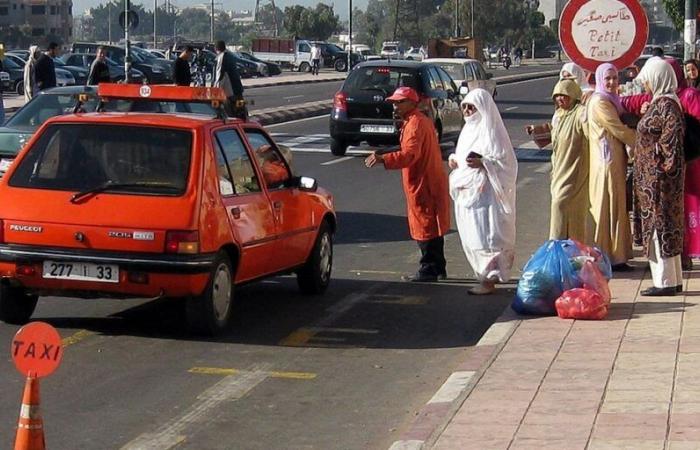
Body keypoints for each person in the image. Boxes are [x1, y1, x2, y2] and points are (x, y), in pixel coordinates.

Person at [365, 86, 450, 282]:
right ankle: (437, 267)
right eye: (394, 102)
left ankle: (429, 268)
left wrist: (384, 159)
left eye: (399, 102)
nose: (395, 106)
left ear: (412, 103)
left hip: (423, 182)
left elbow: (410, 155)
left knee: (424, 224)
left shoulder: (415, 124)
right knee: (431, 224)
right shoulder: (418, 121)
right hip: (428, 179)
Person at [448, 88, 517, 295]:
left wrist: (483, 162)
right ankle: (482, 276)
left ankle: (489, 280)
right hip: (468, 195)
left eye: (472, 107)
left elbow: (507, 163)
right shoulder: (467, 131)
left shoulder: (493, 132)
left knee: (486, 235)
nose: (468, 111)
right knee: (472, 235)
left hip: (488, 197)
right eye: (465, 107)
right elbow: (462, 157)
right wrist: (456, 160)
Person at [632, 58, 685, 296]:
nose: (646, 87)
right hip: (655, 180)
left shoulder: (667, 105)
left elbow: (670, 143)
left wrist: (657, 168)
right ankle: (672, 280)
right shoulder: (662, 103)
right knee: (665, 228)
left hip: (659, 182)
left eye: (648, 81)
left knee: (660, 228)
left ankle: (664, 282)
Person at [587, 63, 636, 270]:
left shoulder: (611, 100)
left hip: (613, 161)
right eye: (607, 79)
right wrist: (641, 142)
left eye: (615, 78)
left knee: (616, 207)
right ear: (599, 80)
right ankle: (608, 257)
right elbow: (618, 129)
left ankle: (617, 255)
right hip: (606, 163)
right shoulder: (600, 102)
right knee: (608, 208)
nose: (611, 82)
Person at [527, 79, 589, 241]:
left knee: (560, 203)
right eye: (558, 96)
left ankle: (557, 242)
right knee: (563, 205)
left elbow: (592, 134)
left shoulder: (581, 113)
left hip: (575, 168)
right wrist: (537, 129)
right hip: (559, 167)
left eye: (565, 95)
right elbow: (556, 131)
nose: (561, 99)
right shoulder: (559, 114)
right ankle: (565, 248)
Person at [213, 40, 244, 119]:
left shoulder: (221, 58)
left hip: (231, 92)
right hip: (237, 89)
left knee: (230, 115)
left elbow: (219, 76)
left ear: (216, 49)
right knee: (241, 113)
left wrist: (214, 92)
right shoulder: (230, 56)